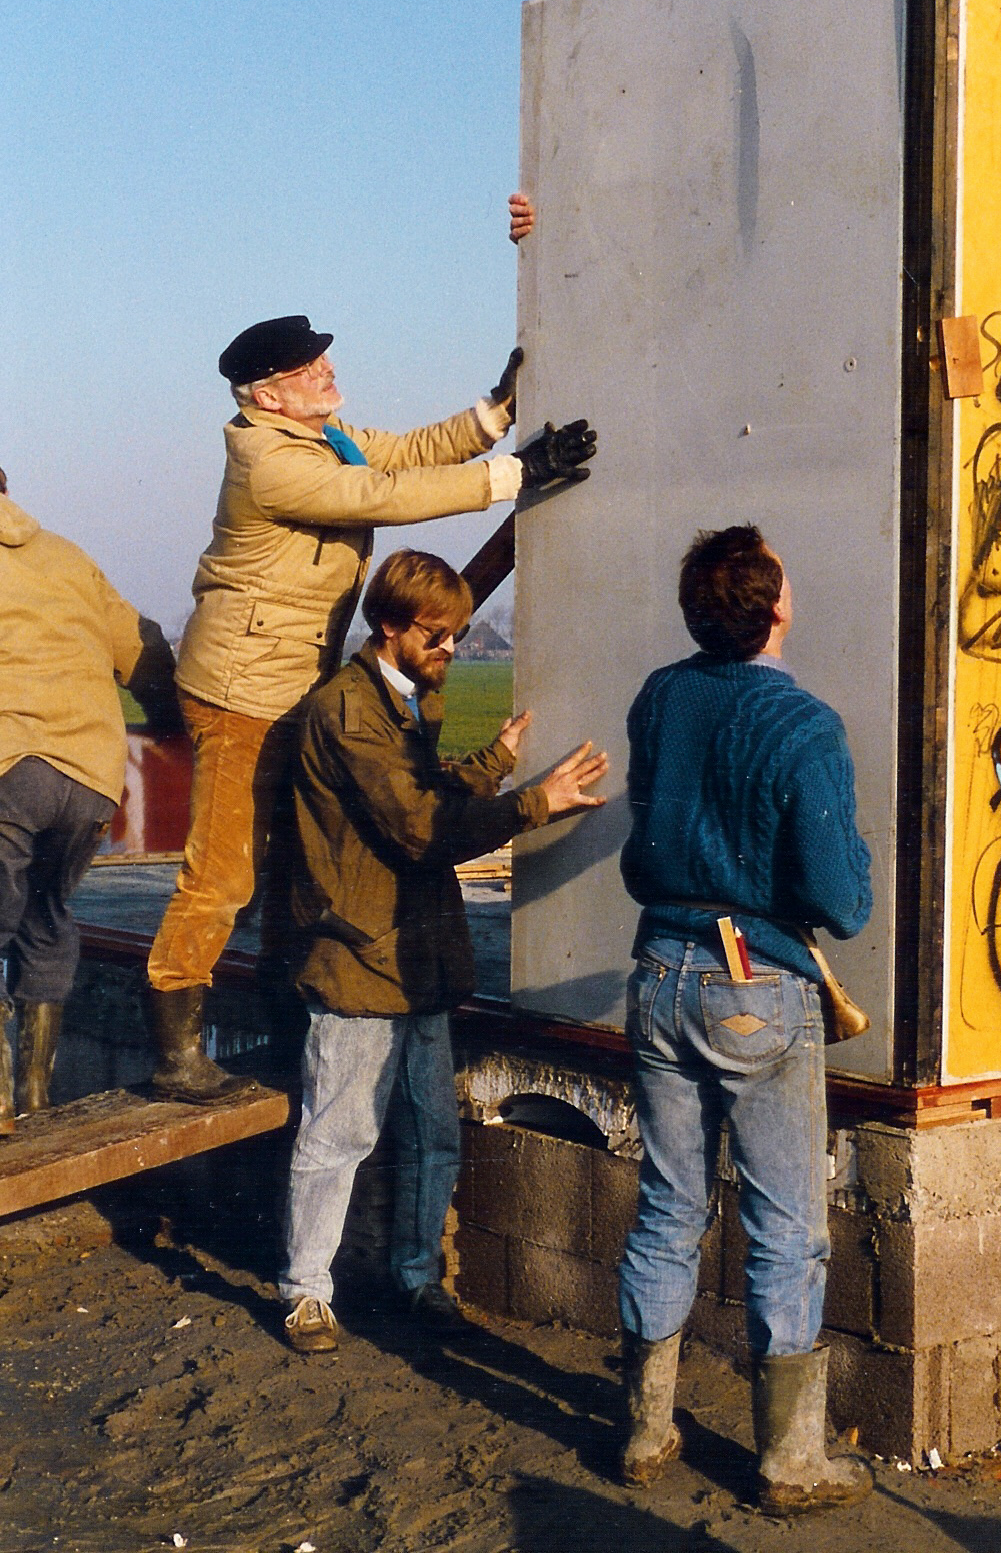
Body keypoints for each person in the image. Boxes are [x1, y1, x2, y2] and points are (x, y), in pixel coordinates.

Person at [146, 247, 594, 1105]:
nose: (328, 370)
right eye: (307, 368)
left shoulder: (320, 435)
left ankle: (283, 1019)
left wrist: (495, 414)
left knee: (295, 864)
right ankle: (176, 1052)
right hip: (241, 693)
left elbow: (403, 456)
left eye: (323, 358)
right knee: (225, 873)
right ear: (265, 395)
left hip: (290, 685)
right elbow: (380, 497)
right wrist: (516, 475)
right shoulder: (271, 461)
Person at [278, 548, 607, 1350]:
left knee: (433, 1133)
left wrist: (493, 762)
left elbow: (418, 795)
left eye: (458, 633)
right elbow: (421, 828)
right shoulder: (350, 712)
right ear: (391, 626)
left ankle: (418, 1278)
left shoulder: (401, 699)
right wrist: (534, 802)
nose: (452, 648)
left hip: (413, 955)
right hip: (360, 958)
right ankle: (305, 1293)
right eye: (438, 634)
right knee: (338, 1135)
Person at [616, 524, 873, 1516]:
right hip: (756, 986)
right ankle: (789, 1462)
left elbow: (648, 835)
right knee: (785, 1227)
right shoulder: (804, 724)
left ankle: (644, 1431)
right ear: (775, 609)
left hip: (659, 970)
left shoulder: (660, 696)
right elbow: (840, 902)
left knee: (668, 1206)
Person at [0, 466, 180, 1125]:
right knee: (45, 920)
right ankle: (34, 1099)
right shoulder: (68, 556)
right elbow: (143, 648)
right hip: (90, 777)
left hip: (9, 765)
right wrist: (167, 718)